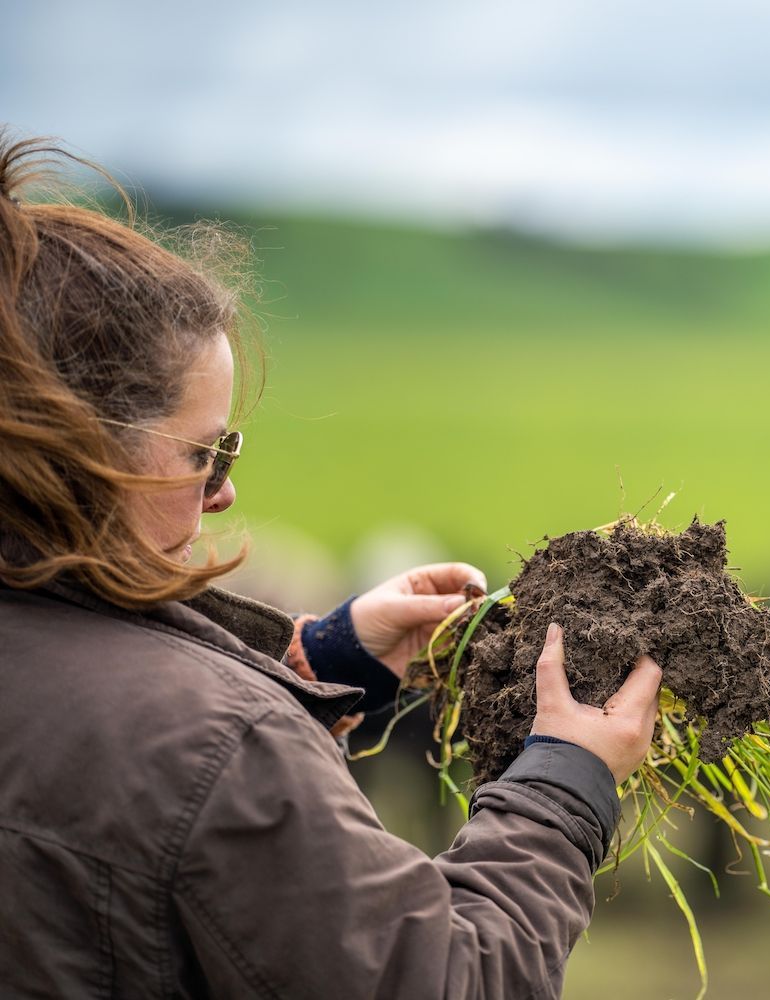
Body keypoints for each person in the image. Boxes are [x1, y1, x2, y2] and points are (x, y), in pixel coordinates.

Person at [0, 132, 662, 998]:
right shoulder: (229, 752)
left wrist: (320, 661)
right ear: (86, 453)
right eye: (209, 453)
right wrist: (565, 782)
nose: (223, 495)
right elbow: (449, 983)